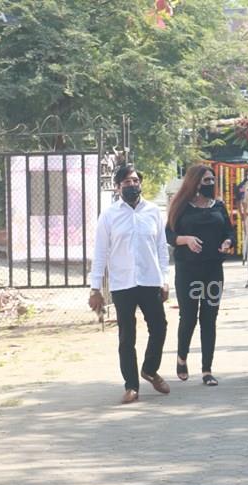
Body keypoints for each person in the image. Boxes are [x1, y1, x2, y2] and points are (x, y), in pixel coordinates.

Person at [89, 163, 171, 404]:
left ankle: (150, 369)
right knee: (127, 336)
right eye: (127, 182)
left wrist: (165, 280)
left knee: (159, 327)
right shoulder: (109, 216)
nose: (132, 185)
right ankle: (131, 386)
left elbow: (161, 249)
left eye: (135, 181)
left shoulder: (153, 211)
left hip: (150, 280)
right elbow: (100, 253)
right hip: (122, 283)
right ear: (117, 187)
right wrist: (95, 288)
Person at [166, 164, 235, 387]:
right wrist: (186, 240)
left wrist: (228, 241)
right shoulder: (182, 206)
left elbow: (229, 231)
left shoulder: (219, 206)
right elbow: (169, 235)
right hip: (188, 270)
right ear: (195, 183)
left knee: (209, 318)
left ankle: (207, 370)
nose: (210, 184)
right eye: (206, 180)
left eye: (212, 180)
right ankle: (182, 357)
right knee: (188, 316)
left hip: (213, 269)